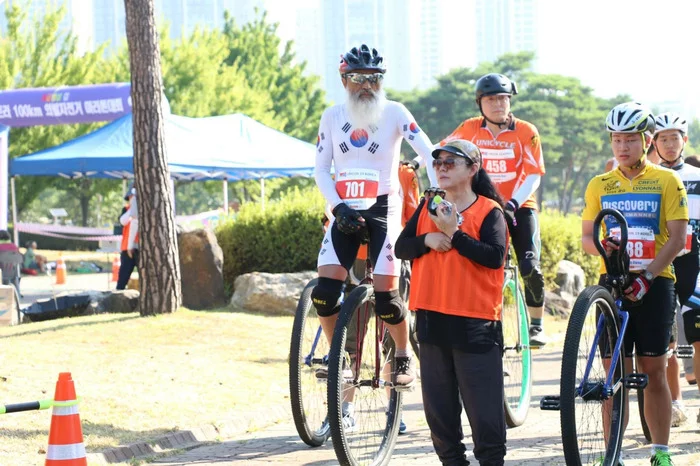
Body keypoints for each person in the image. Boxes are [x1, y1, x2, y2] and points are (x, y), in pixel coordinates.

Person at [312, 44, 438, 426]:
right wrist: (339, 208)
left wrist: (440, 189)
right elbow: (321, 171)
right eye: (357, 78)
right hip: (346, 210)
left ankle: (402, 352)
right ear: (343, 80)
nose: (366, 85)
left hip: (385, 208)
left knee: (386, 297)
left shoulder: (396, 112)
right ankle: (342, 360)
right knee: (323, 293)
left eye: (374, 78)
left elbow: (428, 151)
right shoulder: (332, 117)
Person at [582, 102, 688, 466]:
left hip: (655, 282)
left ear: (646, 140)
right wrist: (602, 245)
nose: (622, 147)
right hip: (611, 280)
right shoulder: (600, 184)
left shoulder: (666, 180)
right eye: (616, 139)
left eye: (629, 139)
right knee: (614, 371)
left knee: (653, 370)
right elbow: (585, 237)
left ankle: (661, 452)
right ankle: (612, 453)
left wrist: (648, 277)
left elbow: (677, 239)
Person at [396, 139, 507, 466]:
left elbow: (495, 257)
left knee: (485, 418)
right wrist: (427, 239)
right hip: (431, 321)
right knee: (441, 419)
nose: (441, 168)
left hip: (475, 325)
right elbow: (403, 248)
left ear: (473, 169)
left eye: (450, 163)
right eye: (438, 163)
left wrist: (454, 234)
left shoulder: (490, 211)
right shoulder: (429, 204)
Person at [440, 73, 547, 346]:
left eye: (503, 98)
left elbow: (534, 174)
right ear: (480, 103)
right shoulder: (470, 127)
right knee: (475, 265)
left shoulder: (526, 131)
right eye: (491, 99)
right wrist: (415, 163)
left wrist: (513, 203)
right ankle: (478, 328)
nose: (498, 104)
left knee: (530, 266)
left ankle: (536, 324)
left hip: (519, 207)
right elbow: (442, 149)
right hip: (484, 207)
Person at [651, 112, 699, 426]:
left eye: (675, 137)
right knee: (666, 340)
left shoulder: (697, 174)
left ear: (684, 140)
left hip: (695, 261)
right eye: (663, 138)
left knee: (698, 335)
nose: (669, 144)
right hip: (661, 261)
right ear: (653, 143)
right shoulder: (649, 177)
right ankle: (676, 403)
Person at [117, 186, 139, 290]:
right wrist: (132, 209)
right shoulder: (126, 210)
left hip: (140, 248)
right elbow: (122, 221)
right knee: (122, 280)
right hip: (126, 249)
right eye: (131, 197)